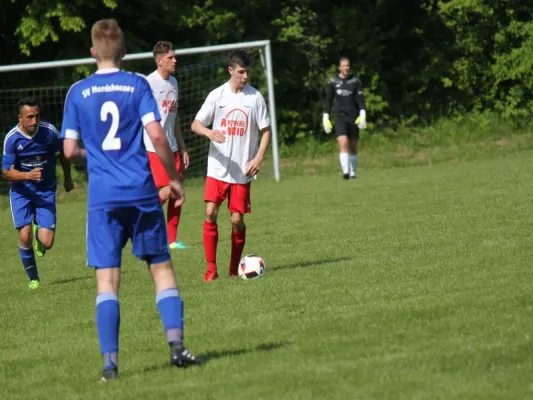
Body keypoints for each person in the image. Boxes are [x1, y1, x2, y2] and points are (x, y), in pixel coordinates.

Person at [60, 19, 197, 382]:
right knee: (161, 268)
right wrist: (172, 179)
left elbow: (70, 149)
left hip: (103, 198)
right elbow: (156, 133)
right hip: (140, 190)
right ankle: (177, 347)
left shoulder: (77, 92)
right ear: (122, 51)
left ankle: (110, 365)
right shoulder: (137, 84)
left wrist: (98, 159)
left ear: (93, 52)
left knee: (107, 281)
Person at [191, 50, 271, 282]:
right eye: (241, 72)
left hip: (242, 172)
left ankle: (234, 267)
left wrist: (258, 158)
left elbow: (266, 130)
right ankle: (211, 269)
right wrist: (208, 132)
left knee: (236, 220)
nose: (245, 76)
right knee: (210, 212)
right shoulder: (217, 95)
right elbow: (196, 124)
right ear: (231, 70)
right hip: (216, 168)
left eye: (247, 72)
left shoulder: (255, 98)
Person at [2, 97, 73, 290]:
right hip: (21, 193)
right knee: (24, 236)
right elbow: (6, 171)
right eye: (30, 117)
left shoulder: (49, 132)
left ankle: (39, 233)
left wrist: (68, 178)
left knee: (47, 242)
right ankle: (34, 278)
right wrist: (27, 175)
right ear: (20, 118)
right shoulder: (12, 139)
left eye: (37, 116)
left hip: (45, 191)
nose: (34, 121)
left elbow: (64, 156)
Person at [143, 41, 190, 250]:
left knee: (177, 194)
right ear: (159, 60)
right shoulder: (148, 83)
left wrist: (183, 146)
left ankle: (171, 240)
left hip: (172, 148)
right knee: (168, 190)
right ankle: (143, 227)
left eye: (174, 56)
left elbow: (174, 117)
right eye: (170, 57)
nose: (175, 60)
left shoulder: (174, 83)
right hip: (154, 148)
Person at [322, 56, 367, 179]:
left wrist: (363, 113)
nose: (346, 68)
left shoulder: (355, 81)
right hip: (340, 116)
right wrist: (325, 117)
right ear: (339, 67)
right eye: (344, 65)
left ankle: (353, 172)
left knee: (353, 145)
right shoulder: (333, 82)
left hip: (353, 116)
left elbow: (360, 99)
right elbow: (328, 100)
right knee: (343, 142)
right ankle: (345, 172)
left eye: (348, 65)